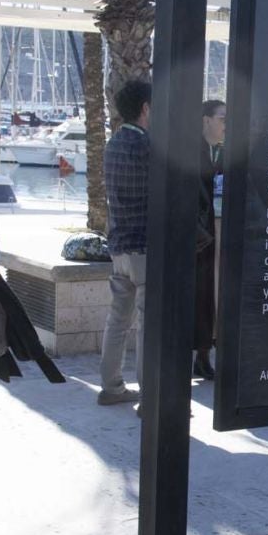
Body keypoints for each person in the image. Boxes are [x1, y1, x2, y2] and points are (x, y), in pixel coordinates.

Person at [99, 78, 151, 405]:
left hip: (118, 244)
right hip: (145, 246)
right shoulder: (149, 147)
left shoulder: (113, 144)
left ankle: (111, 386)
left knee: (117, 319)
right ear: (146, 108)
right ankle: (151, 398)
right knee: (148, 324)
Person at [192, 99, 225, 380]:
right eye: (222, 119)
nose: (227, 125)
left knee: (210, 294)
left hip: (215, 230)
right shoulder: (194, 151)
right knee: (200, 294)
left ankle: (204, 354)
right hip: (199, 235)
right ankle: (198, 353)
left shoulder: (220, 152)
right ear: (206, 120)